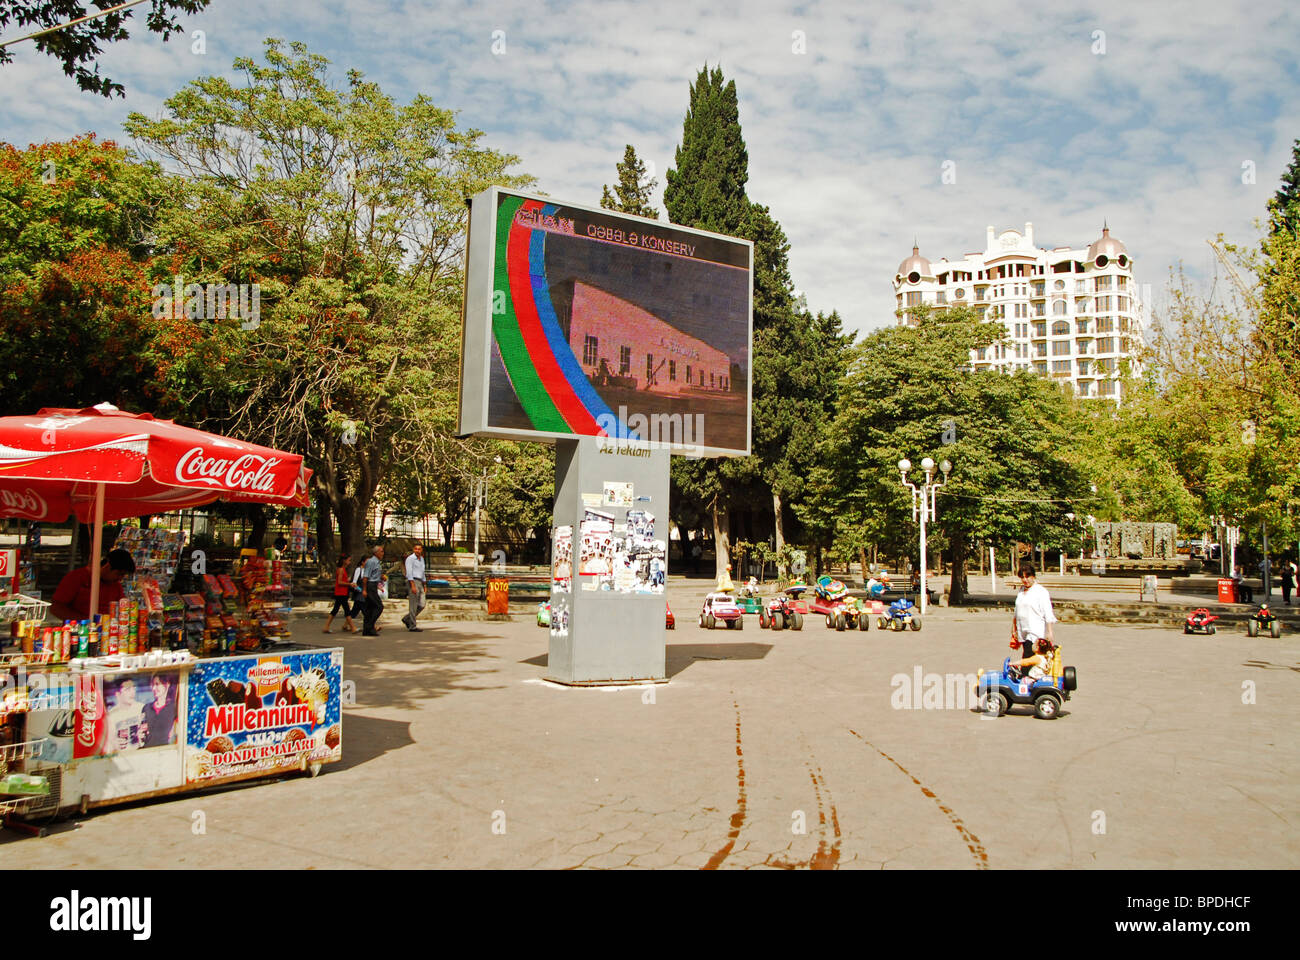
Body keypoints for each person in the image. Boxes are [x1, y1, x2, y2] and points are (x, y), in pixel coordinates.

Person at [50, 548, 136, 622]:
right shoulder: (77, 577)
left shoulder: (116, 586)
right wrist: (85, 621)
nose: (120, 578)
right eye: (119, 574)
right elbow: (56, 608)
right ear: (107, 566)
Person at [1011, 564, 1056, 659]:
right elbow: (1017, 610)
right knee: (1030, 656)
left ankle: (1025, 672)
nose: (1025, 580)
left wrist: (1049, 632)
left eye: (1027, 577)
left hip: (1034, 631)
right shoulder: (1021, 591)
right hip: (1023, 629)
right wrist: (1014, 628)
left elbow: (1048, 612)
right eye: (1022, 577)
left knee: (1028, 657)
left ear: (1033, 576)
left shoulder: (1041, 591)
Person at [106, 678, 146, 753]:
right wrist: (115, 744)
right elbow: (107, 744)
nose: (132, 693)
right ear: (118, 694)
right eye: (128, 689)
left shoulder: (142, 708)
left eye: (133, 689)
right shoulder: (111, 715)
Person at [323, 553, 356, 634]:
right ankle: (353, 627)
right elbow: (339, 582)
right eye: (348, 560)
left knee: (336, 610)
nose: (349, 562)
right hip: (341, 593)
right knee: (346, 610)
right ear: (344, 561)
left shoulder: (342, 569)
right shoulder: (341, 569)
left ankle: (326, 627)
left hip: (341, 592)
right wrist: (349, 584)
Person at [143, 673, 178, 747]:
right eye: (152, 685)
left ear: (167, 685)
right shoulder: (146, 708)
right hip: (147, 750)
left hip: (166, 750)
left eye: (157, 684)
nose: (154, 688)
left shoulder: (174, 707)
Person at [361, 544, 385, 636]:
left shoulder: (377, 562)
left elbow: (374, 574)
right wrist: (364, 589)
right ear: (376, 553)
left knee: (370, 608)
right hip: (370, 585)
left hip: (374, 585)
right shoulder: (371, 562)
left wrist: (381, 577)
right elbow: (366, 576)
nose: (383, 553)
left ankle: (367, 629)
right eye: (381, 551)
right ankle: (369, 626)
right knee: (379, 606)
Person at [403, 543, 426, 632]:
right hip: (413, 581)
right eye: (416, 549)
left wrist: (424, 584)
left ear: (421, 550)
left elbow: (423, 572)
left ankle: (407, 618)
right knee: (413, 604)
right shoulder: (410, 559)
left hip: (420, 581)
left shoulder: (422, 559)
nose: (417, 550)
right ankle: (412, 625)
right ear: (413, 549)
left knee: (422, 604)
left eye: (419, 549)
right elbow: (409, 572)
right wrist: (412, 585)